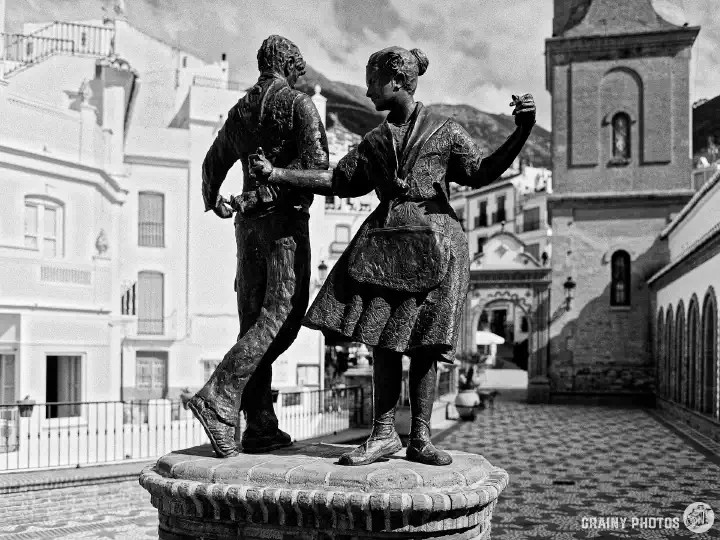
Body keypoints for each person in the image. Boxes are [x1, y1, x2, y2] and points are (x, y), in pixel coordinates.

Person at [250, 46, 536, 466]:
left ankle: (420, 436)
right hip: (387, 244)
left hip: (437, 245)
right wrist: (278, 174)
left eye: (372, 80)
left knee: (426, 344)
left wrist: (522, 131)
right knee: (382, 339)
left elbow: (482, 172)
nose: (366, 91)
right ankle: (383, 434)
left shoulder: (446, 131)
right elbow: (337, 180)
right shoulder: (375, 140)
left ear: (397, 81)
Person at [186, 35, 329, 458]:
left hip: (246, 228)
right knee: (282, 317)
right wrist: (277, 181)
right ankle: (219, 393)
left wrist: (214, 201)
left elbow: (212, 163)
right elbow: (318, 167)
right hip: (283, 226)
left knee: (252, 322)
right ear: (287, 63)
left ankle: (261, 425)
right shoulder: (298, 104)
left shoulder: (242, 109)